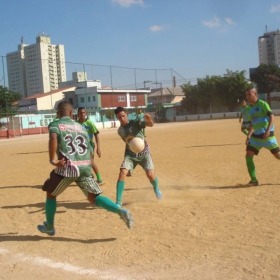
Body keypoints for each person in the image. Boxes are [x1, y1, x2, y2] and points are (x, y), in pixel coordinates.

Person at [37, 101, 134, 236]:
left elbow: (53, 137)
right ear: (72, 113)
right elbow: (89, 147)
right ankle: (119, 211)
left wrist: (53, 159)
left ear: (58, 113)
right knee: (94, 197)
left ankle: (50, 226)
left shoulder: (55, 124)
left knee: (50, 193)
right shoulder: (81, 127)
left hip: (67, 168)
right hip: (85, 167)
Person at [114, 106, 162, 207]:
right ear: (117, 118)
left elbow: (150, 125)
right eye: (119, 117)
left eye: (123, 116)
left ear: (126, 114)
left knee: (150, 175)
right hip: (130, 155)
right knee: (122, 173)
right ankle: (118, 201)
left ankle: (156, 188)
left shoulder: (135, 122)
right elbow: (128, 143)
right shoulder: (120, 131)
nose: (122, 119)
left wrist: (149, 120)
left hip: (144, 153)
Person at [245, 85, 280, 186]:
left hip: (267, 137)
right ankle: (254, 180)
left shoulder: (262, 104)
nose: (248, 96)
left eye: (249, 94)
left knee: (278, 156)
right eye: (247, 95)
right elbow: (252, 123)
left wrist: (268, 130)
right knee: (248, 155)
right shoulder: (248, 109)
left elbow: (272, 116)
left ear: (255, 94)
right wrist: (248, 135)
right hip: (256, 138)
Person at [77, 107, 103, 185]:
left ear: (86, 113)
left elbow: (96, 135)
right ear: (78, 114)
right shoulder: (76, 124)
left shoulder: (90, 123)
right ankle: (88, 176)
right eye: (80, 113)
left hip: (89, 146)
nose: (82, 114)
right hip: (79, 147)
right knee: (80, 163)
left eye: (84, 113)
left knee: (91, 162)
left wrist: (98, 148)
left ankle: (99, 179)